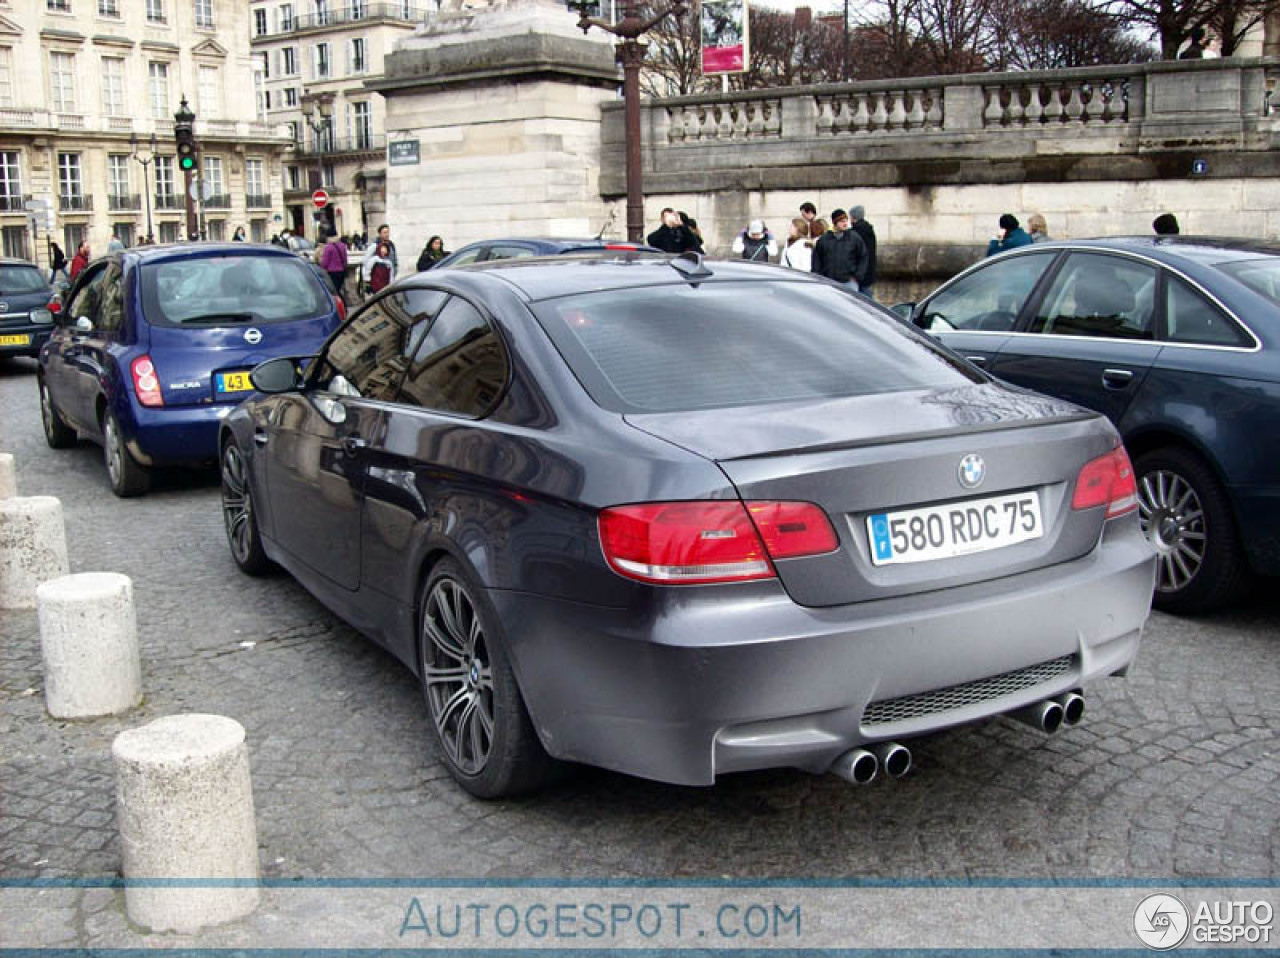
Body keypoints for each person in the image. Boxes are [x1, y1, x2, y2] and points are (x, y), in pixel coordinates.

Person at [811, 208, 868, 291]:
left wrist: (857, 276)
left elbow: (863, 256)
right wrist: (818, 277)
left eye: (846, 220)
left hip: (849, 281)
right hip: (829, 281)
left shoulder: (854, 238)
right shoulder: (824, 240)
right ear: (835, 222)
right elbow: (817, 260)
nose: (845, 223)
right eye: (841, 221)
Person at [849, 205, 877, 299]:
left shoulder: (855, 232)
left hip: (859, 271)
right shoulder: (869, 230)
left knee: (865, 299)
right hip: (868, 270)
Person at [320, 229, 349, 300]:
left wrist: (322, 269)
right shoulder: (342, 245)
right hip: (342, 271)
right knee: (338, 289)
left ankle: (341, 305)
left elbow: (325, 262)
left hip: (332, 272)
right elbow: (345, 259)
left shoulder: (328, 247)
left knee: (333, 291)